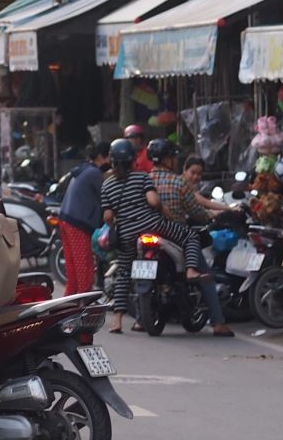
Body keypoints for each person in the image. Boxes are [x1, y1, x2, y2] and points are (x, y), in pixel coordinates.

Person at [103, 139, 209, 334]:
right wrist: (163, 209)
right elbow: (153, 201)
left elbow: (108, 216)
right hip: (153, 226)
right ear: (134, 160)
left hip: (127, 234)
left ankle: (117, 321)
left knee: (124, 273)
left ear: (112, 161)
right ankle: (192, 270)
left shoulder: (107, 185)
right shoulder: (142, 177)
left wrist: (119, 220)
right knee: (190, 236)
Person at [148, 140, 234, 337]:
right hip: (175, 235)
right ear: (168, 159)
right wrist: (210, 216)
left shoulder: (143, 180)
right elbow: (197, 212)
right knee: (206, 278)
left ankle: (138, 320)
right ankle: (218, 323)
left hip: (146, 232)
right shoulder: (179, 183)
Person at [59, 142, 111, 296]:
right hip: (77, 222)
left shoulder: (84, 169)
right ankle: (83, 305)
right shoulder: (94, 174)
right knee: (84, 268)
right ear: (102, 157)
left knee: (73, 268)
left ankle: (68, 304)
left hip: (66, 219)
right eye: (109, 157)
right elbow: (107, 197)